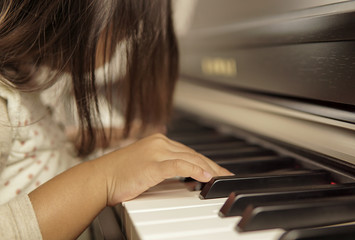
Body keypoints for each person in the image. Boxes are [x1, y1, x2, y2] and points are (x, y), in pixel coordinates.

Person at [0, 0, 231, 239]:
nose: (129, 34)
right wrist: (104, 178)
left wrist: (92, 139)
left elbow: (26, 147)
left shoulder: (22, 73)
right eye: (124, 25)